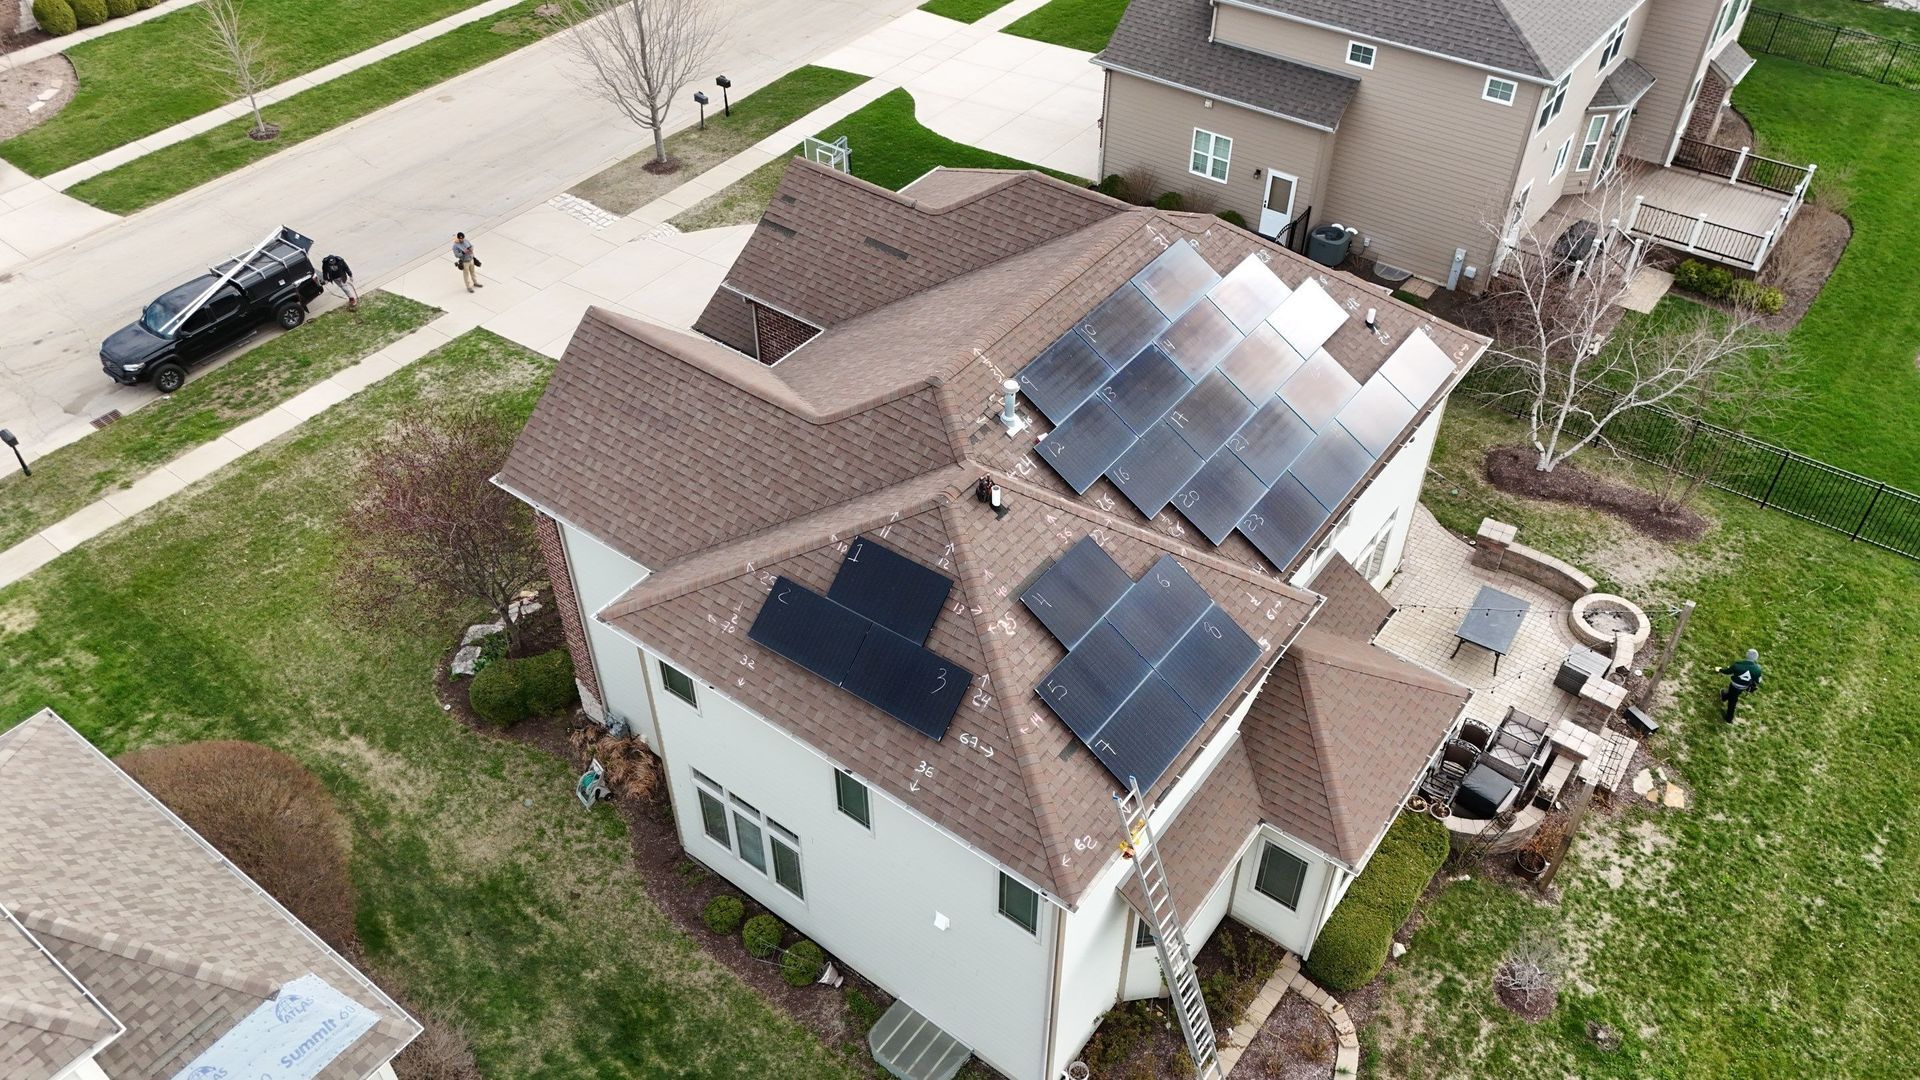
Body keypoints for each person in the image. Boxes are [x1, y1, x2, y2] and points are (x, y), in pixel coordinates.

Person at [1717, 648, 1763, 723]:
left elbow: (1727, 672)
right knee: (1734, 693)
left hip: (1734, 685)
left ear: (1747, 655)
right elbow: (1758, 681)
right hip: (1744, 686)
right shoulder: (1758, 669)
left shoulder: (1737, 665)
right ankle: (1724, 696)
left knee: (1732, 701)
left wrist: (1720, 670)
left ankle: (1729, 718)